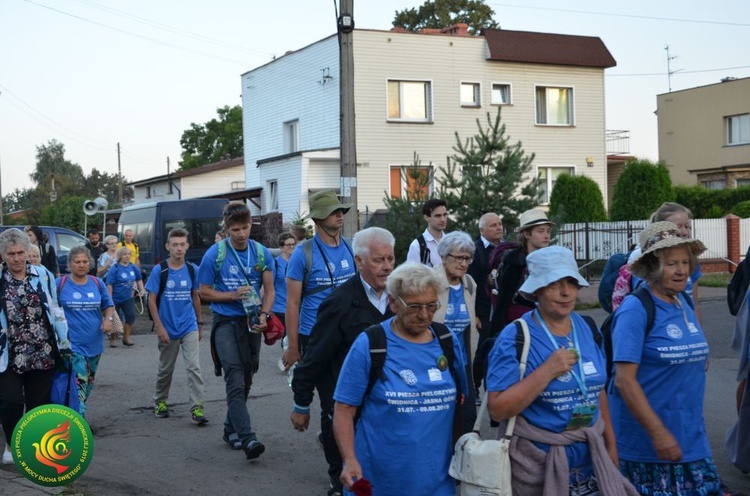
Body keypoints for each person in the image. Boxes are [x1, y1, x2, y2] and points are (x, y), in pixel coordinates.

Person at [487, 245, 636, 495]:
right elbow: (498, 408)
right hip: (537, 466)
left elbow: (598, 391)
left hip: (590, 460)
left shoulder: (588, 328)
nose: (566, 292)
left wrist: (611, 446)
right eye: (554, 284)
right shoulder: (515, 336)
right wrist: (546, 372)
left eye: (571, 282)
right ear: (536, 291)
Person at [609, 221, 742, 495]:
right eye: (672, 264)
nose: (682, 270)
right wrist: (658, 432)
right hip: (648, 447)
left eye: (685, 262)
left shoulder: (684, 302)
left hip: (690, 438)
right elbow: (624, 381)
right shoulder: (635, 309)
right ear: (653, 267)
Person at [333, 262, 466, 496]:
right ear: (393, 302)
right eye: (414, 306)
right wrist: (350, 459)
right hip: (379, 481)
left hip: (438, 482)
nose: (424, 314)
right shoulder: (370, 344)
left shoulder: (447, 340)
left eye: (431, 305)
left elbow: (464, 402)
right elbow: (344, 408)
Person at [291, 227, 395, 496]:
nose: (387, 267)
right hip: (344, 401)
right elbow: (314, 357)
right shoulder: (339, 303)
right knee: (349, 478)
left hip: (384, 404)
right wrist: (301, 403)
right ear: (358, 262)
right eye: (378, 260)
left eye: (390, 259)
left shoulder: (400, 299)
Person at [198, 201, 275, 461]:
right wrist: (231, 295)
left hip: (252, 323)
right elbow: (204, 291)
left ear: (250, 225)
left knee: (247, 379)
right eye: (235, 229)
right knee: (234, 376)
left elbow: (271, 290)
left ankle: (230, 428)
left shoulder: (262, 253)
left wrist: (264, 315)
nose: (241, 234)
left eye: (245, 227)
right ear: (227, 229)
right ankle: (248, 438)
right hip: (225, 324)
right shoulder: (215, 254)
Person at [0, 229, 70, 464]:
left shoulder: (43, 275)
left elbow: (55, 308)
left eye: (21, 252)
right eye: (11, 254)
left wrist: (65, 341)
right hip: (9, 354)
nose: (17, 258)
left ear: (28, 252)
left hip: (42, 351)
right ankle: (11, 443)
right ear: (3, 255)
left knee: (38, 403)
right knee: (10, 400)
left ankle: (32, 447)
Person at [282, 190, 356, 370]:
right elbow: (292, 303)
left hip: (348, 331)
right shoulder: (302, 253)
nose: (340, 214)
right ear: (318, 219)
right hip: (314, 333)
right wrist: (293, 347)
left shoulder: (352, 246)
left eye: (341, 210)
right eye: (332, 211)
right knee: (326, 394)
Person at [147, 228, 207, 425]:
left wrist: (199, 323)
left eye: (182, 244)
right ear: (168, 247)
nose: (179, 248)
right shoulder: (160, 270)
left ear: (187, 246)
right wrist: (159, 326)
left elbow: (195, 297)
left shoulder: (192, 269)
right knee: (166, 369)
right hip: (168, 328)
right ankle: (160, 401)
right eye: (175, 245)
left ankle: (197, 407)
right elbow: (151, 299)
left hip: (188, 324)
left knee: (194, 367)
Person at [56, 245, 115, 416]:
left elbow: (108, 305)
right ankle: (77, 424)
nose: (81, 265)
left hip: (94, 345)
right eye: (77, 262)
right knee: (78, 387)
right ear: (70, 264)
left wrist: (108, 319)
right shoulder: (60, 284)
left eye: (85, 261)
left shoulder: (97, 283)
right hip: (72, 347)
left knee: (87, 386)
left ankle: (73, 414)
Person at [434, 230, 478, 433]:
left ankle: (463, 462)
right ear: (443, 257)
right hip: (436, 364)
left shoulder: (469, 284)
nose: (464, 263)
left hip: (463, 364)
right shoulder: (430, 283)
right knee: (441, 419)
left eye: (467, 258)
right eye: (459, 257)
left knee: (468, 418)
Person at [627, 202, 702, 319]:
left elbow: (694, 303)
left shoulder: (693, 261)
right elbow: (641, 302)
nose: (685, 232)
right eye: (678, 227)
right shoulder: (646, 259)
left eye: (687, 226)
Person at [489, 209, 554, 335]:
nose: (546, 236)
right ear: (527, 234)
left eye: (548, 231)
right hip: (519, 328)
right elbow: (503, 303)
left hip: (547, 326)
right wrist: (495, 337)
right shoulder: (515, 263)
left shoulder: (550, 261)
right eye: (540, 231)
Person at [467, 212, 503, 390]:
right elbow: (471, 285)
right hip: (484, 309)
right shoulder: (475, 251)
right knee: (483, 348)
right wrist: (475, 314)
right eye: (493, 225)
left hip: (503, 308)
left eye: (499, 224)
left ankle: (497, 384)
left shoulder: (507, 248)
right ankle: (475, 384)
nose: (498, 228)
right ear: (482, 230)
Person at [106, 246, 144, 347]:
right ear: (120, 256)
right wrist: (110, 299)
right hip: (115, 298)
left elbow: (139, 279)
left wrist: (142, 290)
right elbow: (109, 284)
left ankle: (126, 337)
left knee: (130, 316)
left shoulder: (133, 267)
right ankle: (113, 338)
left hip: (128, 297)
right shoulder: (115, 268)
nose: (127, 256)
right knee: (115, 318)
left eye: (128, 254)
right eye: (124, 254)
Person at [406, 198, 448, 268]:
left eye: (445, 215)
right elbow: (411, 276)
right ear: (426, 217)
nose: (443, 219)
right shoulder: (417, 246)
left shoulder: (451, 243)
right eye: (438, 216)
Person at [272, 232, 296, 328]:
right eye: (288, 245)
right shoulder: (275, 264)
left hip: (296, 308)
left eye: (293, 244)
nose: (291, 247)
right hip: (280, 309)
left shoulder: (298, 263)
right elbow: (266, 287)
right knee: (287, 339)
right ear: (281, 247)